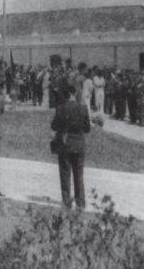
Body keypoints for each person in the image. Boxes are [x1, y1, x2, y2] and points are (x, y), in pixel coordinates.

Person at [51, 80, 91, 209]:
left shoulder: (61, 108)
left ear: (67, 94)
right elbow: (87, 129)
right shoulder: (83, 108)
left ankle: (67, 201)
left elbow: (54, 126)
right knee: (79, 175)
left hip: (65, 144)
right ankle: (80, 202)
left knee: (65, 174)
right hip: (79, 144)